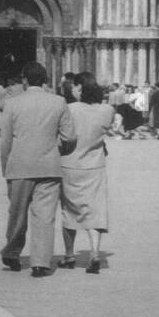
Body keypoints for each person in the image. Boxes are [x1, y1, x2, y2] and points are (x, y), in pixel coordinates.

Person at [0, 61, 75, 277]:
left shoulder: (12, 103)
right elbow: (70, 137)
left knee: (17, 213)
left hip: (19, 165)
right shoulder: (59, 102)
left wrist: (6, 168)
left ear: (24, 80)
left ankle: (12, 252)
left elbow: (5, 142)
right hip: (49, 167)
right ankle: (40, 262)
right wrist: (57, 150)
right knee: (45, 215)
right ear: (46, 79)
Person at [58, 74, 114, 273]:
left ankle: (69, 255)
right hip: (95, 166)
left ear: (80, 87)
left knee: (69, 211)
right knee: (95, 211)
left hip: (69, 165)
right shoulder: (108, 110)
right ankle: (95, 254)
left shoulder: (69, 109)